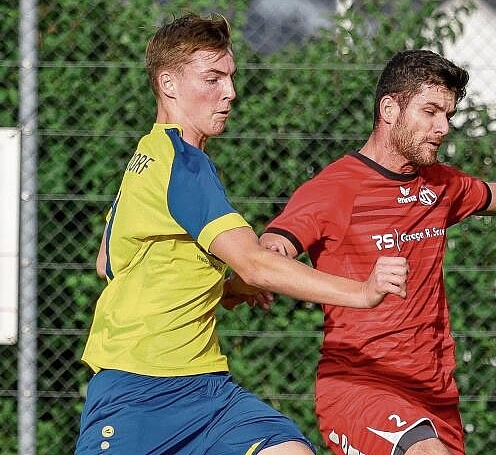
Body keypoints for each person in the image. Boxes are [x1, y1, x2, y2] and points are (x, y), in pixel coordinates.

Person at [260, 49, 496, 455]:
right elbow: (273, 249)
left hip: (435, 396)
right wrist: (259, 268)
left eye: (449, 115)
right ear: (389, 109)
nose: (442, 127)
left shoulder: (439, 186)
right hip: (362, 387)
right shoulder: (335, 190)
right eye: (430, 111)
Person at [74, 13, 409, 455]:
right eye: (212, 79)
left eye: (231, 77)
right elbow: (254, 261)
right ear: (169, 84)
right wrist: (363, 292)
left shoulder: (149, 153)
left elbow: (108, 262)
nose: (230, 92)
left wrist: (223, 288)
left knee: (289, 450)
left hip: (207, 393)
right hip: (139, 395)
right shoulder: (184, 166)